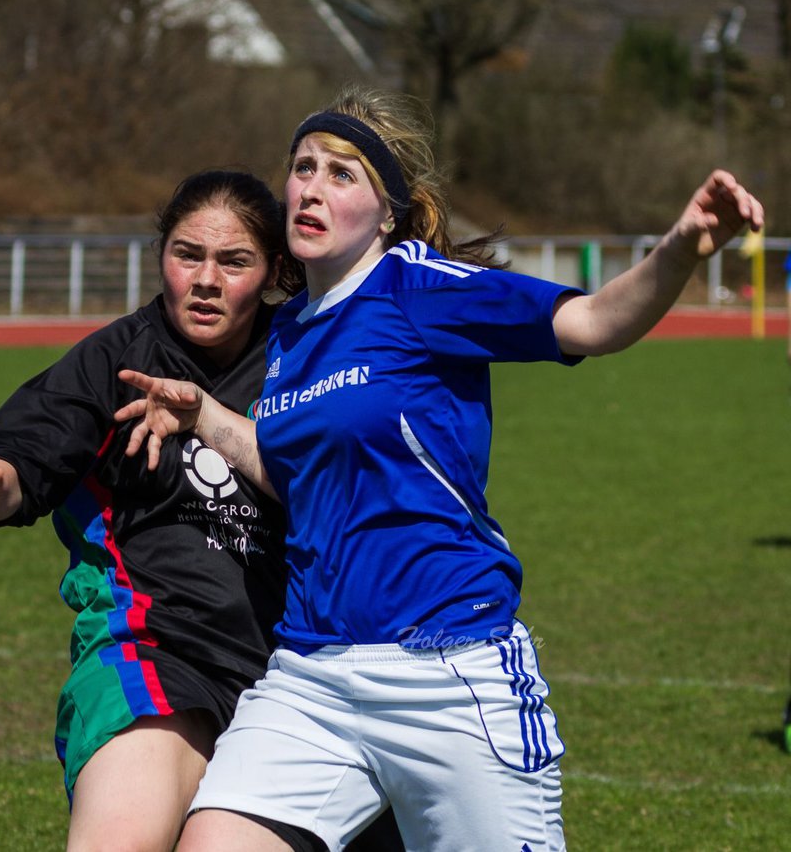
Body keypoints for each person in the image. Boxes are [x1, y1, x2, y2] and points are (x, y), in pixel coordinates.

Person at [115, 85, 764, 851]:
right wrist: (207, 417)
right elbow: (293, 472)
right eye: (304, 167)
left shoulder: (418, 289)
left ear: (386, 213)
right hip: (312, 676)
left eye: (342, 174)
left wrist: (685, 244)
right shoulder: (288, 333)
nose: (313, 188)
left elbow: (591, 321)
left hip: (447, 671)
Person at [0, 169, 402, 852]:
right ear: (162, 257)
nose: (206, 279)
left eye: (234, 261)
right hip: (156, 647)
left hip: (304, 673)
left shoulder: (310, 360)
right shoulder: (116, 359)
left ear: (274, 269)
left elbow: (365, 491)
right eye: (188, 254)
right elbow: (32, 455)